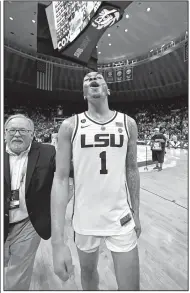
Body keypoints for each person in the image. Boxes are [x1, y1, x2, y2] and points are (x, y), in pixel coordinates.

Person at [51, 71, 141, 290]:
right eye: (87, 79)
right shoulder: (70, 126)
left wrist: (137, 213)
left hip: (120, 217)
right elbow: (61, 179)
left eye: (99, 77)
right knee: (88, 274)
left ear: (107, 89)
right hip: (85, 218)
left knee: (131, 287)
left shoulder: (128, 123)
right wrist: (57, 242)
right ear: (84, 93)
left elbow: (131, 169)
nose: (93, 77)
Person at [4, 114, 56, 290]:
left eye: (23, 131)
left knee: (17, 275)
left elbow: (69, 173)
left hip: (27, 223)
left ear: (33, 134)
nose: (17, 134)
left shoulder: (47, 152)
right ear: (5, 133)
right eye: (12, 130)